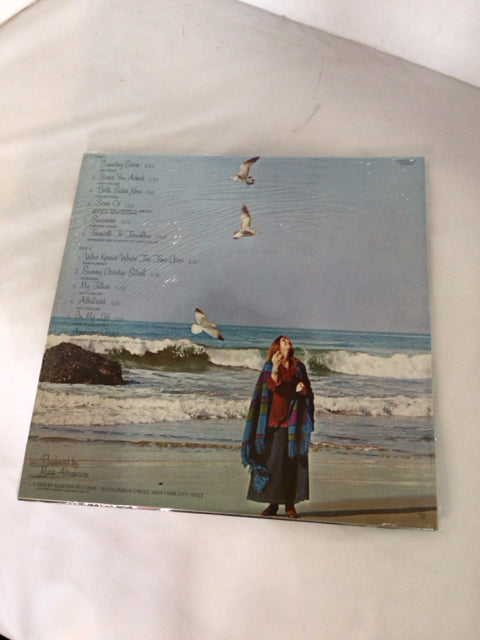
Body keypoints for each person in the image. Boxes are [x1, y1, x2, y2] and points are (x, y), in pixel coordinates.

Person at [241, 335, 314, 518]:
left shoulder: (298, 366)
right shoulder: (269, 366)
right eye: (283, 341)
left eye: (288, 340)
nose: (287, 342)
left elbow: (308, 392)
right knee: (273, 462)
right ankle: (273, 504)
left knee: (291, 463)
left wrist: (303, 391)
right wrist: (275, 368)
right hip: (272, 420)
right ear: (277, 347)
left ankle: (290, 505)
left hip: (293, 421)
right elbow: (270, 387)